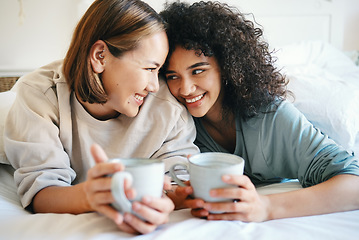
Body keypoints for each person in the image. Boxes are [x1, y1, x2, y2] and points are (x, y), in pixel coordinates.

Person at [4, 0, 199, 234]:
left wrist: (165, 202)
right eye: (149, 69)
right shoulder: (40, 94)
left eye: (158, 71)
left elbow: (178, 181)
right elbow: (41, 191)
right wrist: (92, 196)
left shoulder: (168, 108)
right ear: (100, 56)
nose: (154, 86)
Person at [160, 1, 359, 222]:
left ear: (226, 67)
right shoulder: (178, 122)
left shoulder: (272, 117)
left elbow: (355, 182)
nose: (185, 89)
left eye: (198, 71)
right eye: (172, 76)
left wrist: (266, 207)